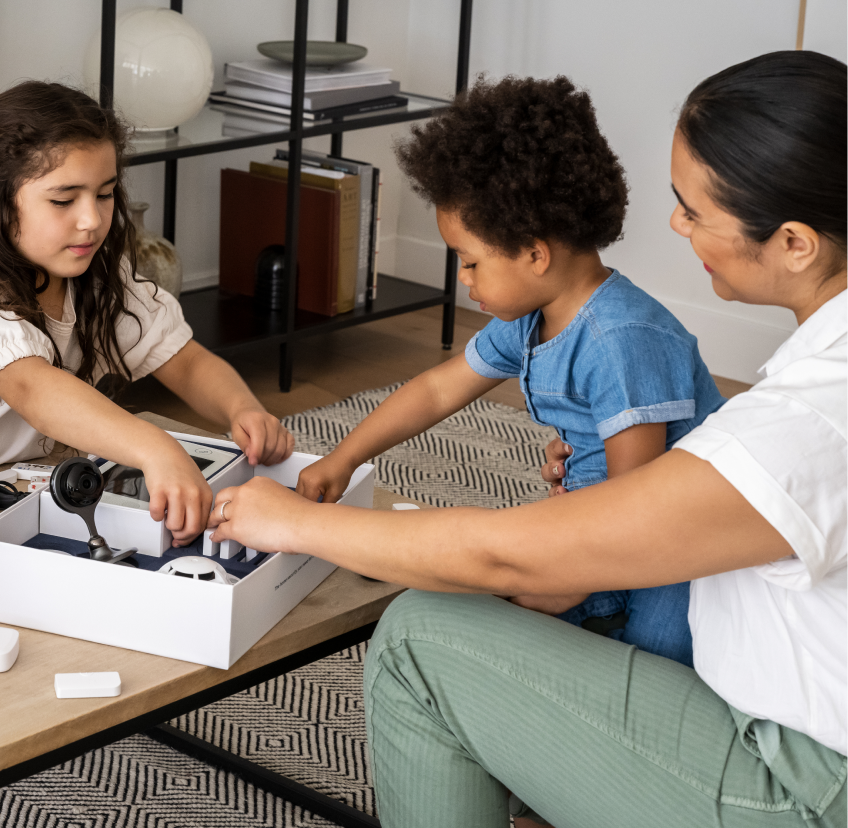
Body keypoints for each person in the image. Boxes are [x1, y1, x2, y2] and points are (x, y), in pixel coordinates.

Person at [208, 50, 848, 827]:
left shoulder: (788, 409)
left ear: (793, 242)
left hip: (804, 779)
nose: (674, 223)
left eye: (693, 210)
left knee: (422, 633)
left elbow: (543, 548)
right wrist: (344, 456)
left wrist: (297, 522)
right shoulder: (801, 384)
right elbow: (446, 386)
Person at [296, 75, 724, 667]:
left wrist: (572, 577)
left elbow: (638, 505)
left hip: (671, 545)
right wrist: (342, 459)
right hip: (598, 517)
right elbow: (438, 389)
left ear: (534, 252)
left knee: (657, 658)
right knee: (490, 596)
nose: (463, 281)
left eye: (470, 263)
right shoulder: (533, 315)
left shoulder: (621, 339)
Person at [0, 82, 293, 546]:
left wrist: (242, 407)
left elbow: (183, 358)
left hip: (9, 491)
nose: (92, 220)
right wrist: (155, 445)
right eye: (64, 200)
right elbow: (35, 388)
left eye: (104, 194)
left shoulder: (97, 275)